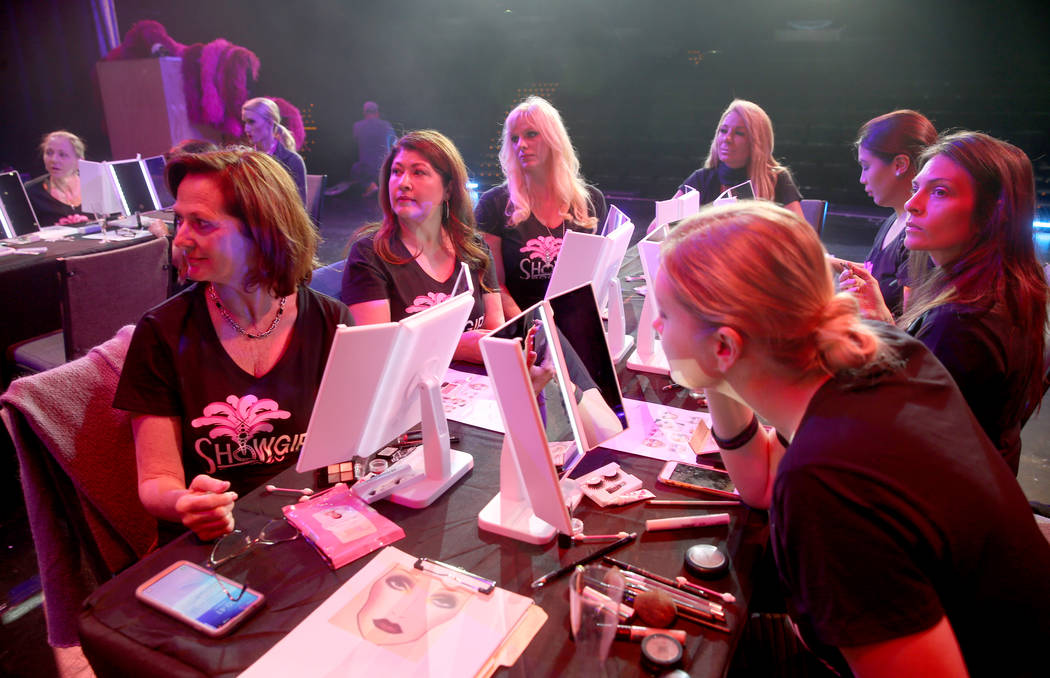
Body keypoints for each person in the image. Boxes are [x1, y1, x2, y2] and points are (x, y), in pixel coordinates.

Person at [653, 200, 1050, 676]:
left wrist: (714, 366)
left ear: (726, 344)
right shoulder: (882, 351)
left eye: (665, 315)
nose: (656, 327)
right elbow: (759, 484)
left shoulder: (827, 485)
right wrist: (716, 377)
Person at [114, 149, 351, 541]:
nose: (181, 240)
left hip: (309, 524)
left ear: (263, 231)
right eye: (179, 221)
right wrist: (184, 502)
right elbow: (156, 479)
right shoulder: (161, 332)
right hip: (213, 543)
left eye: (202, 224)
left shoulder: (332, 322)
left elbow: (351, 447)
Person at [844, 131, 1047, 475]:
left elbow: (900, 441)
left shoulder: (962, 320)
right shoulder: (994, 289)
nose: (912, 204)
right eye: (916, 188)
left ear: (991, 213)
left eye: (939, 191)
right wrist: (882, 320)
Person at [340, 130, 502, 363]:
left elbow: (494, 334)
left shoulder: (474, 249)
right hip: (408, 393)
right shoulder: (369, 255)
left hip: (476, 390)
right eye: (396, 172)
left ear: (448, 189)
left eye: (418, 172)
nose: (403, 183)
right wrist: (455, 346)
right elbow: (374, 353)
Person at [475, 96, 608, 317]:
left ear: (553, 138)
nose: (521, 145)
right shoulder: (494, 204)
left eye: (531, 134)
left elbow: (597, 276)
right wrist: (532, 330)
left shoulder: (590, 201)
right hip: (523, 330)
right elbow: (494, 287)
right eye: (514, 139)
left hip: (577, 321)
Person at [837, 110, 937, 318]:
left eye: (866, 167)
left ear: (900, 164)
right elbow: (878, 273)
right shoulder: (894, 221)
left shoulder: (917, 233)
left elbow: (909, 333)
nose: (862, 179)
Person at [648, 99, 803, 233]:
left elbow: (801, 234)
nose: (727, 139)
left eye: (739, 133)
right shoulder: (701, 179)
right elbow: (655, 229)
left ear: (757, 143)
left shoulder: (777, 179)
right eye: (723, 130)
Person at [241, 97, 307, 204]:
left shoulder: (292, 161)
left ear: (270, 123)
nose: (246, 129)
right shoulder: (244, 159)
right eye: (245, 122)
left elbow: (299, 210)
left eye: (252, 122)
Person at [24, 130, 92, 226]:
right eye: (49, 153)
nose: (54, 160)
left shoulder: (95, 185)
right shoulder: (31, 192)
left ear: (79, 161)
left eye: (62, 154)